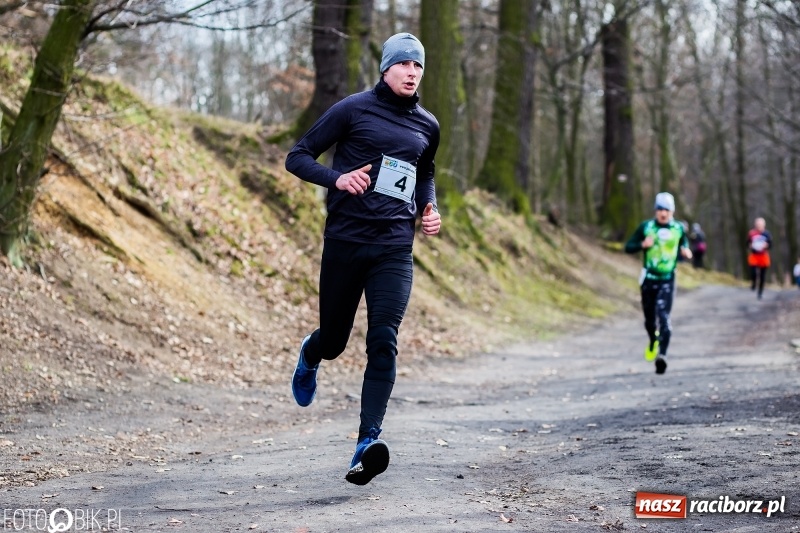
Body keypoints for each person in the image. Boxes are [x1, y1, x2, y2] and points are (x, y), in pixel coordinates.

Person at [284, 32, 441, 486]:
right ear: (386, 68)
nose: (413, 73)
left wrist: (429, 207)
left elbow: (424, 171)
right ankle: (311, 354)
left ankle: (367, 441)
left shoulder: (427, 124)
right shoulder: (352, 109)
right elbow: (297, 157)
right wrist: (337, 179)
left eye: (419, 66)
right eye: (405, 64)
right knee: (335, 341)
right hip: (346, 242)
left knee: (384, 338)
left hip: (394, 246)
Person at [625, 192, 692, 375]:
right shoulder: (646, 227)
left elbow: (684, 244)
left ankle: (662, 356)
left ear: (672, 211)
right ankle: (653, 341)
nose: (663, 213)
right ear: (655, 210)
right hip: (648, 280)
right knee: (649, 320)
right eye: (660, 209)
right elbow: (628, 247)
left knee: (664, 317)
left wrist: (686, 251)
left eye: (667, 210)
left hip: (668, 279)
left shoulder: (678, 229)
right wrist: (642, 245)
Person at [747, 217, 772, 300]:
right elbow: (747, 243)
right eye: (758, 224)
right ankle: (754, 283)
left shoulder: (767, 234)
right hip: (754, 255)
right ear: (755, 225)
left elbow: (771, 244)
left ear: (764, 225)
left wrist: (767, 245)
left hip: (763, 255)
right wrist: (749, 246)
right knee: (753, 272)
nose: (759, 226)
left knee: (762, 275)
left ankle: (760, 293)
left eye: (760, 225)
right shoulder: (751, 233)